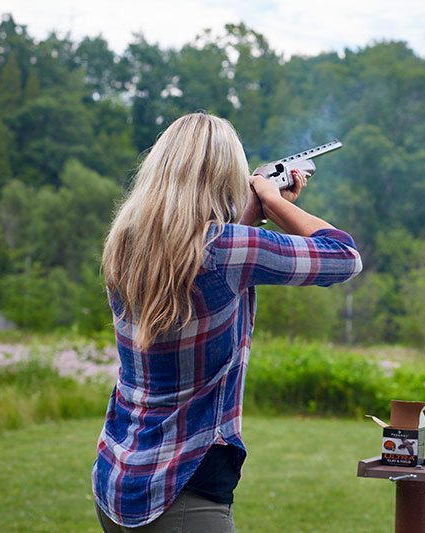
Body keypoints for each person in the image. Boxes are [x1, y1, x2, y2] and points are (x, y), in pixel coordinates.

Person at [92, 112, 362, 532]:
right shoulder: (227, 250)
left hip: (118, 476)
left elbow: (198, 264)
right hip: (186, 488)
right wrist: (271, 199)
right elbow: (344, 257)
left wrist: (251, 213)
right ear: (225, 176)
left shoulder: (124, 245)